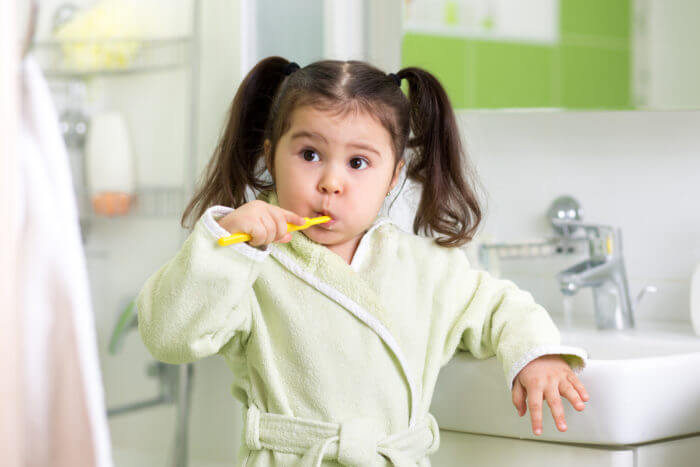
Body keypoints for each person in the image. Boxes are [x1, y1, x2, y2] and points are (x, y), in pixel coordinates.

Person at [136, 57, 590, 467]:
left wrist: (538, 354)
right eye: (309, 154)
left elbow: (500, 307)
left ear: (394, 175)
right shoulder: (249, 261)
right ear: (271, 156)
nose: (332, 181)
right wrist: (227, 244)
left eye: (358, 162)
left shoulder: (429, 268)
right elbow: (168, 336)